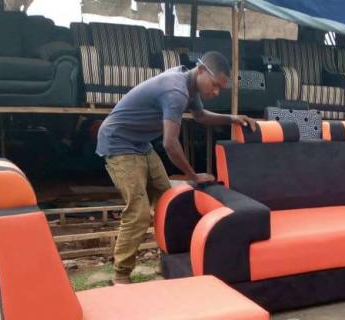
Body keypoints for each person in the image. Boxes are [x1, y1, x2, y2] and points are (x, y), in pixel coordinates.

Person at [97, 50, 257, 285]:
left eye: (220, 89)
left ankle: (168, 261)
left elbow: (200, 116)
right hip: (118, 143)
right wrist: (193, 175)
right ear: (201, 70)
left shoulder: (190, 85)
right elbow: (170, 143)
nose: (215, 92)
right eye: (214, 85)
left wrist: (232, 118)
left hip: (141, 144)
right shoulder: (176, 91)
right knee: (139, 213)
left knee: (169, 204)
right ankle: (120, 276)